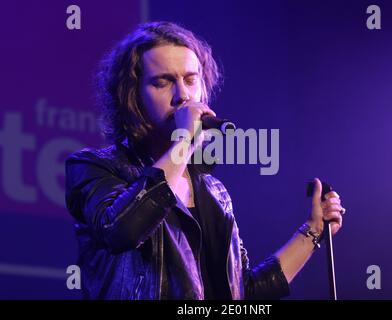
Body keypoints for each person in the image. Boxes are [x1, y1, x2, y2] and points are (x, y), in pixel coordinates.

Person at [65, 21, 345, 300]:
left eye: (190, 79)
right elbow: (122, 230)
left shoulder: (213, 191)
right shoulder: (94, 167)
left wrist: (313, 231)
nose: (182, 96)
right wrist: (184, 140)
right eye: (163, 82)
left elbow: (243, 291)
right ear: (132, 96)